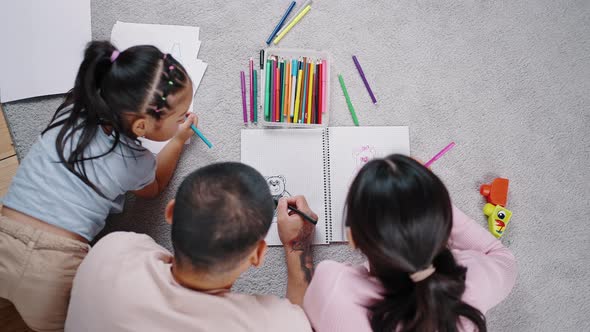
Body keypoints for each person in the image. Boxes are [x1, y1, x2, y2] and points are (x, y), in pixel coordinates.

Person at [0, 40, 199, 331]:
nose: (184, 117)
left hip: (5, 233)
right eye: (179, 116)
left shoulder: (71, 111)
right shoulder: (134, 160)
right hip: (56, 268)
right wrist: (178, 140)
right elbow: (154, 186)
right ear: (141, 127)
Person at [65, 162, 316, 332]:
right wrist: (297, 245)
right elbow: (304, 319)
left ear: (171, 211)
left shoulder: (111, 249)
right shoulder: (271, 324)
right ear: (258, 254)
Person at [303, 154, 517, 332]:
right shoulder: (472, 282)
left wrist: (297, 246)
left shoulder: (335, 289)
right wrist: (425, 202)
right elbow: (501, 256)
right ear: (442, 224)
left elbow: (297, 320)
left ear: (352, 238)